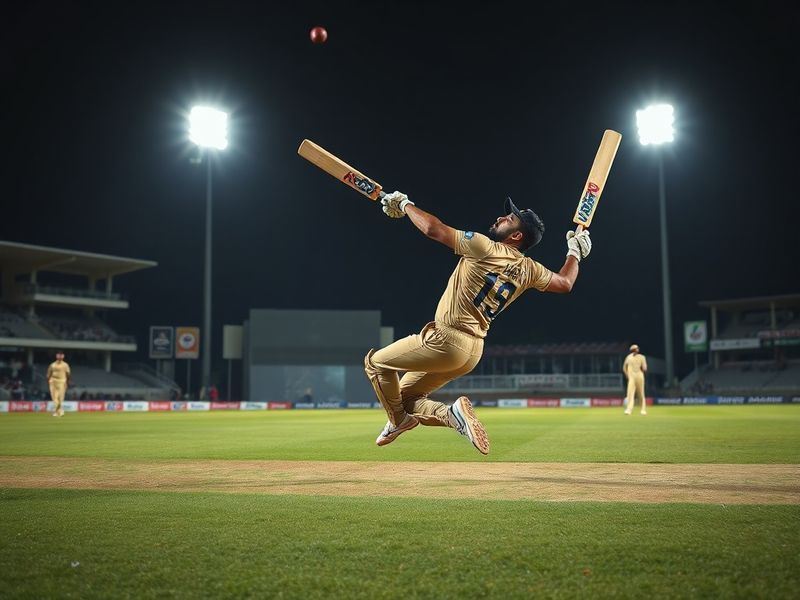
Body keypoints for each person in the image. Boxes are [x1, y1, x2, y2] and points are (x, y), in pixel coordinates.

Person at [364, 193, 592, 454]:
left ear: (516, 236)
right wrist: (574, 253)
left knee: (376, 363)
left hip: (446, 339)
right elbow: (565, 283)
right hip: (472, 352)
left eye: (509, 219)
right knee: (405, 399)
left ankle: (398, 421)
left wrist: (405, 205)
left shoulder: (485, 247)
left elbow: (433, 229)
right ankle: (451, 415)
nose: (500, 218)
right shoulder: (530, 270)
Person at [623, 344, 648, 415]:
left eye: (636, 349)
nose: (636, 350)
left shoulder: (642, 357)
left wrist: (643, 368)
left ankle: (643, 409)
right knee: (630, 393)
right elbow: (624, 368)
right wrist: (627, 375)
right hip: (632, 377)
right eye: (635, 349)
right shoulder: (628, 357)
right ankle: (629, 409)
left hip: (639, 376)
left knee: (641, 393)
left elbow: (645, 368)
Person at [47, 351, 71, 417]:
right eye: (58, 355)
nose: (60, 356)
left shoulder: (65, 365)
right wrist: (48, 381)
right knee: (54, 398)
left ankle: (57, 412)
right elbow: (48, 374)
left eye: (61, 355)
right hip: (53, 381)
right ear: (56, 356)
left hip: (62, 382)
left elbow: (68, 374)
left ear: (63, 356)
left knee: (60, 398)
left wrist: (68, 382)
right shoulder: (52, 365)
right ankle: (59, 412)